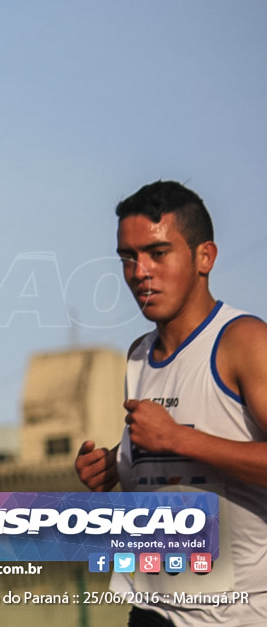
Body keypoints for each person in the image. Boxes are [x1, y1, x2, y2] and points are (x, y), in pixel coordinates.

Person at [74, 180, 267, 626]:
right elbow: (176, 481)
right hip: (151, 611)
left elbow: (180, 440)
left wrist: (179, 439)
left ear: (205, 257)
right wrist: (116, 467)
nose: (140, 271)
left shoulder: (244, 342)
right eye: (128, 256)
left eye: (158, 253)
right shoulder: (138, 354)